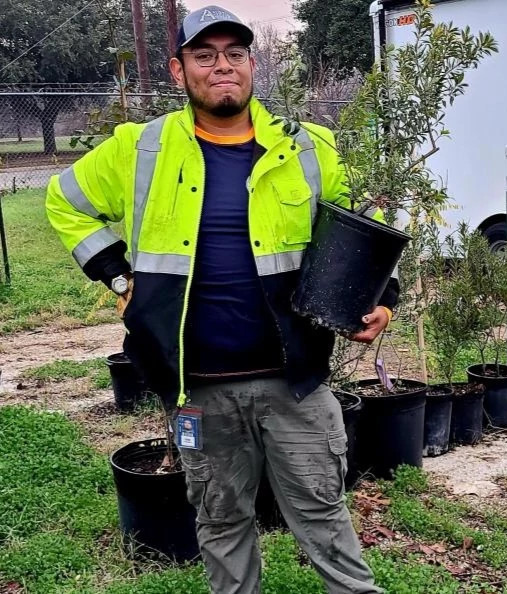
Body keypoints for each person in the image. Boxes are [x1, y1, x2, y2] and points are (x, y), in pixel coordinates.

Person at [46, 6, 399, 593]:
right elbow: (63, 199)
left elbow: (369, 222)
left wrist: (379, 297)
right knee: (221, 521)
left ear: (252, 64)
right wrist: (116, 275)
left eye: (235, 54)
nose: (222, 67)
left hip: (296, 382)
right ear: (178, 69)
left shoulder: (308, 147)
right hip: (196, 389)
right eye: (204, 56)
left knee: (324, 519)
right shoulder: (139, 149)